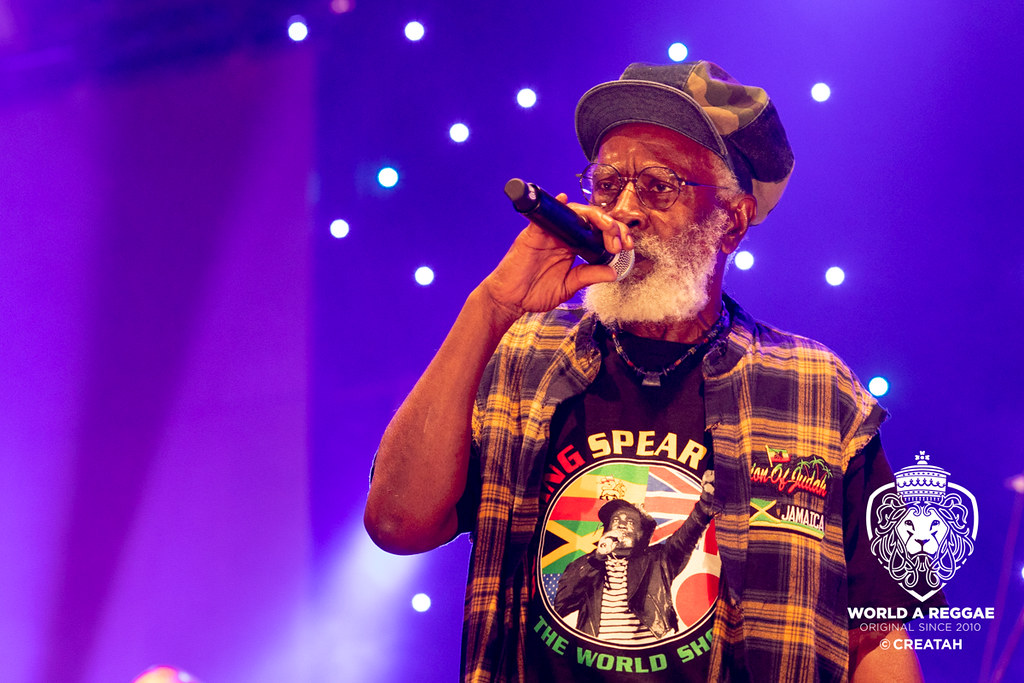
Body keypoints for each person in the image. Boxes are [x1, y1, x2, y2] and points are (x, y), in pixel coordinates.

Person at [364, 61, 932, 682]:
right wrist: (492, 306)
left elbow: (878, 631)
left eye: (659, 185)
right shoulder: (523, 354)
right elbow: (397, 524)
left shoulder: (815, 388)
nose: (625, 210)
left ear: (732, 221)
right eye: (608, 184)